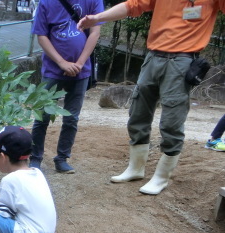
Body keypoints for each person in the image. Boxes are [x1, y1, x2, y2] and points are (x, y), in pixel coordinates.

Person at [78, 0, 225, 195]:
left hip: (182, 60)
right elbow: (133, 5)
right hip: (153, 56)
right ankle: (136, 168)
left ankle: (162, 177)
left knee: (172, 120)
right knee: (138, 113)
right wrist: (98, 18)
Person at [29, 0, 103, 173]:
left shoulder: (93, 1)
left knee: (71, 118)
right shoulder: (46, 2)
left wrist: (79, 62)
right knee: (42, 116)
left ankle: (62, 158)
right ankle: (35, 158)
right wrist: (62, 63)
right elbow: (41, 35)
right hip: (52, 70)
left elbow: (95, 32)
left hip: (81, 70)